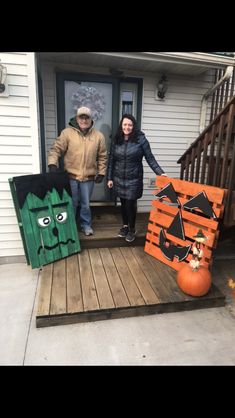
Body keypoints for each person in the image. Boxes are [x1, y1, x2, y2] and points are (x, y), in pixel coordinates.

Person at [48, 106, 107, 236]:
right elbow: (56, 149)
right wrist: (52, 163)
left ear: (91, 119)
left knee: (85, 204)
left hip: (88, 178)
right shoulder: (67, 133)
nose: (84, 120)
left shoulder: (98, 136)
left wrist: (102, 172)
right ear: (77, 118)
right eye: (81, 117)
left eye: (87, 117)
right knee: (72, 203)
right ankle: (70, 226)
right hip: (71, 176)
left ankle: (86, 225)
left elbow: (102, 156)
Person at [107, 114, 166, 243]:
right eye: (125, 124)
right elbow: (111, 160)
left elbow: (150, 158)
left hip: (133, 179)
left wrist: (160, 173)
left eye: (130, 125)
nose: (127, 127)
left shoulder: (141, 140)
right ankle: (125, 226)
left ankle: (132, 229)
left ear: (133, 126)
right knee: (122, 204)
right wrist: (110, 178)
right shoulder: (116, 139)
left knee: (130, 205)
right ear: (121, 125)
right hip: (118, 178)